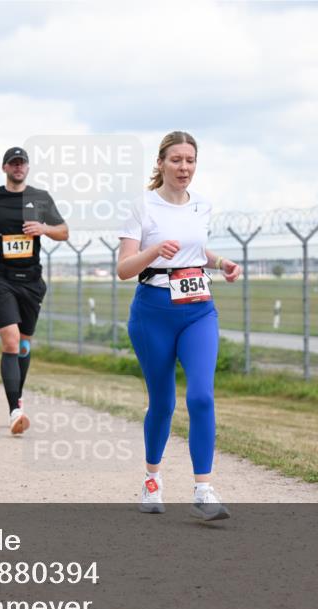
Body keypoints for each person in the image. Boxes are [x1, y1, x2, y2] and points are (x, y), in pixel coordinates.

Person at [116, 130, 242, 521]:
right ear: (161, 163)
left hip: (198, 308)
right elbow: (123, 269)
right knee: (164, 402)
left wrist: (221, 263)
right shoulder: (141, 207)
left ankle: (203, 489)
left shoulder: (202, 205)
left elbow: (195, 249)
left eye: (190, 160)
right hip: (153, 312)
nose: (184, 167)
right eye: (176, 160)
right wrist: (154, 250)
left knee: (202, 396)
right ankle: (152, 481)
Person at [0, 146, 69, 435]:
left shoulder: (40, 197)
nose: (18, 167)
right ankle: (15, 410)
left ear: (27, 167)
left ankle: (17, 400)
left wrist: (43, 228)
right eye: (13, 163)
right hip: (0, 277)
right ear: (5, 168)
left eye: (22, 163)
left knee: (24, 345)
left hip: (31, 280)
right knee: (11, 341)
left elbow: (64, 231)